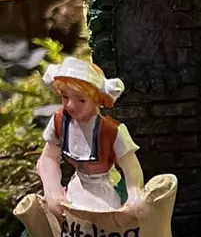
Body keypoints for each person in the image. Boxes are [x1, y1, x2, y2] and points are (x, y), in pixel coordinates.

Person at [36, 55, 145, 215]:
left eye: (81, 100)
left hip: (106, 191)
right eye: (65, 97)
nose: (70, 105)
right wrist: (52, 190)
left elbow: (131, 167)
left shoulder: (112, 130)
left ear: (96, 99)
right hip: (77, 189)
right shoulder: (60, 121)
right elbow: (48, 158)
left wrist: (135, 195)